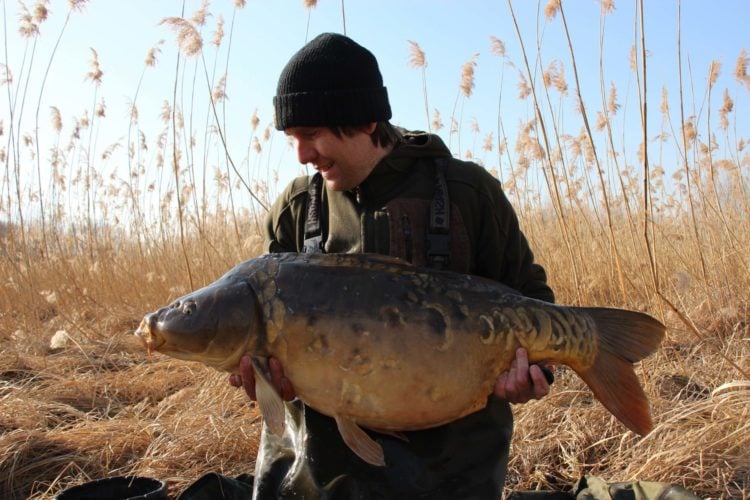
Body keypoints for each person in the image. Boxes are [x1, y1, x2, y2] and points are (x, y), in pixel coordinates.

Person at [228, 32, 555, 499]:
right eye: (293, 138)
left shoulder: (468, 194)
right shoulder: (297, 208)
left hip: (453, 466)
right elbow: (264, 342)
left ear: (364, 120)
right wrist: (262, 376)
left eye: (313, 134)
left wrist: (535, 371)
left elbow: (533, 303)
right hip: (321, 466)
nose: (301, 154)